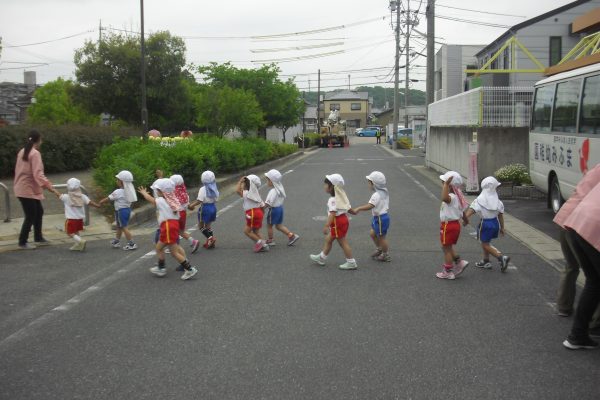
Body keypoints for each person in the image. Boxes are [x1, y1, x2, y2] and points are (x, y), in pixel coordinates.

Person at [553, 164, 600, 344]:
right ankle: (594, 325)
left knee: (585, 275)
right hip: (591, 225)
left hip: (572, 218)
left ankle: (574, 327)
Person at [137, 179, 198, 280]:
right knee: (159, 248)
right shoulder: (174, 200)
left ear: (162, 191)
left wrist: (144, 193)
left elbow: (150, 199)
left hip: (168, 227)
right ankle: (161, 268)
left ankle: (190, 269)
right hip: (172, 226)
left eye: (157, 190)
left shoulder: (161, 200)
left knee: (174, 252)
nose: (156, 192)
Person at [13, 130, 60, 249]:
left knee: (38, 212)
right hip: (27, 189)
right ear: (38, 140)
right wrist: (51, 188)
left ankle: (38, 237)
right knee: (31, 215)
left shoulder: (22, 151)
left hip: (22, 188)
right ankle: (22, 242)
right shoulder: (35, 154)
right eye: (41, 139)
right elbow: (38, 174)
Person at [310, 174, 357, 270]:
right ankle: (322, 257)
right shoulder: (341, 196)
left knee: (342, 242)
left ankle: (351, 262)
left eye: (326, 184)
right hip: (343, 220)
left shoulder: (332, 200)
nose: (324, 186)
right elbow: (348, 207)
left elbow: (332, 213)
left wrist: (326, 225)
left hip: (337, 222)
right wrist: (353, 212)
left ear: (331, 187)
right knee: (329, 239)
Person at [463, 176, 511, 272]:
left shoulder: (480, 200)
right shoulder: (498, 202)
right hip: (495, 223)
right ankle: (486, 261)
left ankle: (501, 257)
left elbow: (471, 211)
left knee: (484, 244)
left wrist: (464, 219)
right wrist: (502, 228)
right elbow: (500, 215)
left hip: (485, 224)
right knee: (486, 242)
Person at [349, 171, 391, 262]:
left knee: (381, 237)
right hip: (379, 217)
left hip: (380, 218)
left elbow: (370, 205)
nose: (368, 184)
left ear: (374, 184)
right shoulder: (384, 191)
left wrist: (358, 208)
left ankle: (385, 254)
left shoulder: (376, 195)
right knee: (373, 234)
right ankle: (380, 248)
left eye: (369, 182)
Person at [436, 171, 469, 280]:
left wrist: (446, 185)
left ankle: (448, 271)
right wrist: (466, 220)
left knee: (446, 248)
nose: (442, 183)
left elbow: (444, 198)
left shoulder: (451, 197)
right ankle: (459, 262)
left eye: (443, 182)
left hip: (448, 226)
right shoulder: (458, 196)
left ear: (449, 185)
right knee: (447, 246)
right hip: (455, 225)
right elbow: (462, 211)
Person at [54, 178, 100, 251]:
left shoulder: (66, 197)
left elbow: (58, 194)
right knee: (76, 231)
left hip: (71, 219)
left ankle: (80, 241)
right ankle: (78, 245)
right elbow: (90, 202)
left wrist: (53, 189)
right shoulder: (82, 196)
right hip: (80, 219)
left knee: (69, 232)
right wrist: (97, 205)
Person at [98, 170, 138, 250]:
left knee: (123, 227)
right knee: (119, 226)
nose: (116, 181)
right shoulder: (130, 191)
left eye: (118, 180)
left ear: (122, 182)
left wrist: (101, 201)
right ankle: (116, 241)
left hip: (121, 211)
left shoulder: (118, 191)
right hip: (127, 210)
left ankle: (131, 243)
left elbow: (109, 198)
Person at [263, 169, 300, 247]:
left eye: (267, 180)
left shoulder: (273, 191)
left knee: (269, 225)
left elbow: (268, 203)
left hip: (273, 210)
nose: (266, 182)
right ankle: (291, 235)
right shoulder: (280, 188)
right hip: (280, 209)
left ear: (271, 181)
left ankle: (270, 240)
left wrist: (261, 209)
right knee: (278, 225)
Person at [236, 174, 269, 253]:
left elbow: (237, 191)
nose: (242, 184)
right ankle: (264, 243)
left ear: (248, 184)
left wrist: (240, 181)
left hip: (252, 213)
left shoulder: (247, 193)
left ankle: (261, 243)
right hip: (259, 213)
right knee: (256, 231)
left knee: (247, 231)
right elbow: (263, 206)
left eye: (244, 183)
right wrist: (262, 215)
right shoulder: (257, 195)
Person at [170, 174, 200, 254]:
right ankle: (193, 241)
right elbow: (188, 205)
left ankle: (175, 247)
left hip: (176, 214)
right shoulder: (184, 193)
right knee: (181, 231)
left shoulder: (172, 194)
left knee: (173, 231)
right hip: (183, 214)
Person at [188, 170, 219, 249]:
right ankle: (210, 242)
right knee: (208, 226)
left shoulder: (203, 189)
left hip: (205, 208)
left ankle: (210, 239)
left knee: (201, 226)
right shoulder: (214, 188)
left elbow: (199, 200)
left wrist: (191, 205)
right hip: (213, 207)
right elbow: (216, 199)